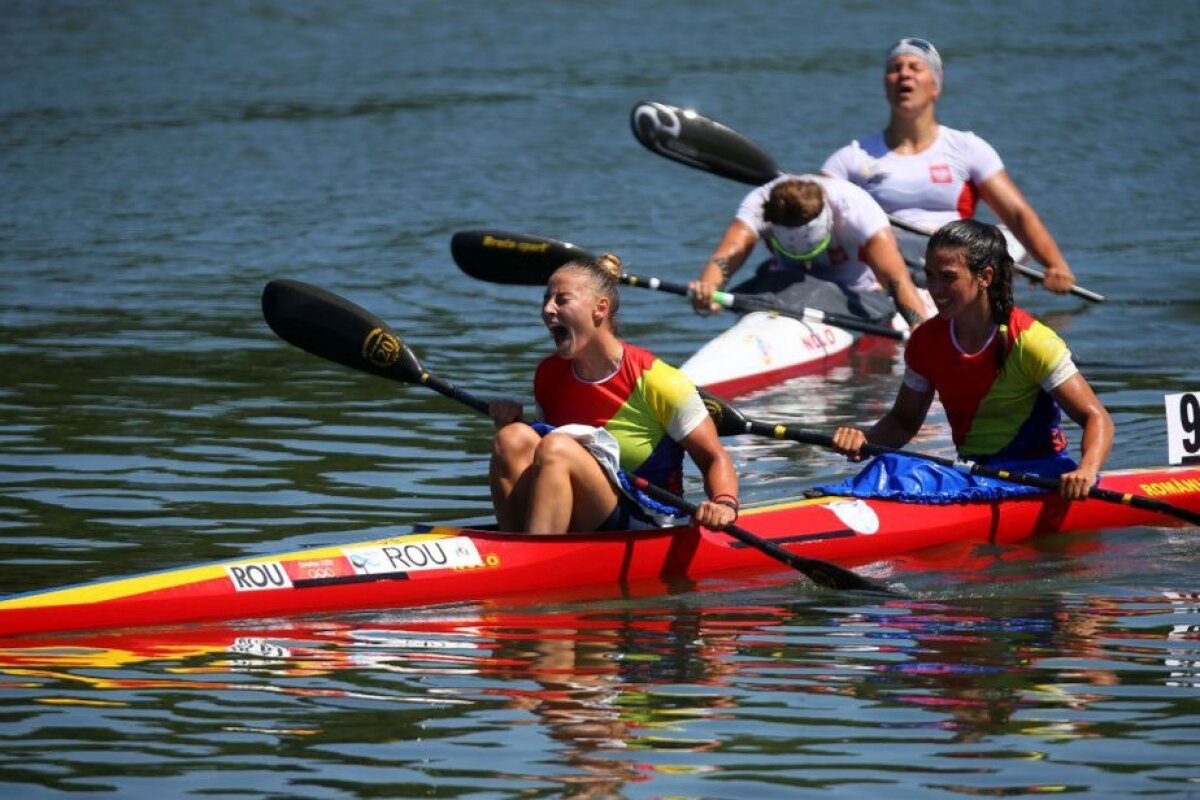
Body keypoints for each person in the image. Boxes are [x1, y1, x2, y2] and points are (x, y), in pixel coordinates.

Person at [830, 219, 1112, 500]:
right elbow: (903, 422)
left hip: (1041, 476)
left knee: (898, 471)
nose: (935, 289)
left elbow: (1095, 418)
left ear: (985, 277)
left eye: (948, 277)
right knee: (889, 465)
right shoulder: (925, 342)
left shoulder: (1031, 341)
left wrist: (1086, 471)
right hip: (975, 475)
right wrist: (864, 441)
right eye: (930, 276)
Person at [489, 252, 739, 534]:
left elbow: (714, 457)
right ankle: (511, 550)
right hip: (583, 509)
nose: (547, 309)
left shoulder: (658, 380)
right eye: (545, 299)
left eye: (561, 300)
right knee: (512, 438)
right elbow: (537, 464)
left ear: (600, 308)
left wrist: (724, 504)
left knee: (557, 447)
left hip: (649, 517)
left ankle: (532, 562)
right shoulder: (548, 374)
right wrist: (511, 422)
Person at [822, 37, 1077, 294]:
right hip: (884, 266)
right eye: (895, 68)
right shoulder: (851, 158)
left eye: (915, 67)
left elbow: (1017, 215)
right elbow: (813, 211)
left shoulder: (967, 149)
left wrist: (1055, 266)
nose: (903, 75)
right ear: (886, 85)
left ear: (936, 86)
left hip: (952, 262)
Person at [688, 173, 929, 328]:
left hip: (854, 289)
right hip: (788, 285)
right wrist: (708, 289)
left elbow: (895, 277)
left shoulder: (856, 209)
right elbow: (727, 254)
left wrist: (918, 327)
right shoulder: (759, 205)